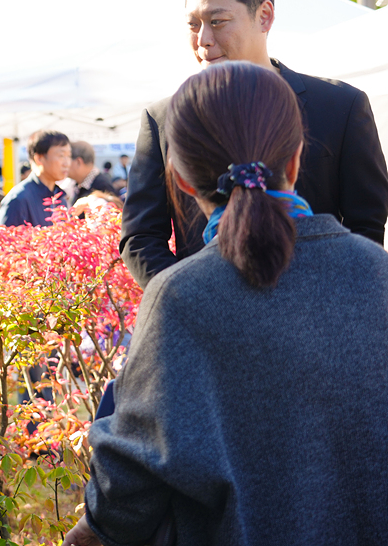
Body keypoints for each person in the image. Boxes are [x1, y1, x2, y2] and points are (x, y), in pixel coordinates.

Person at [63, 61, 388, 546]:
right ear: (296, 160)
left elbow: (127, 492)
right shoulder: (377, 275)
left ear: (180, 181)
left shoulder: (180, 298)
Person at [120, 0, 388, 289]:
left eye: (217, 21)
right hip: (207, 325)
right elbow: (140, 236)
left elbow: (367, 222)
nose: (203, 40)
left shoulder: (341, 106)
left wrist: (328, 300)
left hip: (316, 318)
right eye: (193, 24)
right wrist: (191, 301)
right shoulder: (162, 118)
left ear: (264, 16)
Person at [0, 131, 71, 227]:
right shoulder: (18, 200)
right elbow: (6, 240)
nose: (67, 163)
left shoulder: (59, 197)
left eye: (69, 156)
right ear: (39, 159)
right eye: (61, 156)